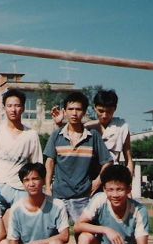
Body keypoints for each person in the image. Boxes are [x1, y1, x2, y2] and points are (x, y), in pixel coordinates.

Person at [44, 91, 113, 223]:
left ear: (85, 112)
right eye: (70, 109)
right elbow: (50, 161)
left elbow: (108, 162)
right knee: (54, 233)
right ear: (64, 111)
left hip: (83, 197)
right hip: (59, 196)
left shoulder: (93, 136)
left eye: (78, 109)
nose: (74, 113)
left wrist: (97, 182)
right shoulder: (56, 135)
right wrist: (47, 187)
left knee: (85, 233)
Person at [0, 89, 43, 228]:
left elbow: (36, 166)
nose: (13, 109)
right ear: (4, 108)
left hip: (21, 188)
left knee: (20, 227)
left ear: (23, 108)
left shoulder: (31, 135)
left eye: (17, 105)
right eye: (9, 106)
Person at [52, 88, 133, 176]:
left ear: (115, 108)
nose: (104, 115)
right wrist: (59, 124)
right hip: (89, 175)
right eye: (101, 111)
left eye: (109, 111)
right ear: (95, 108)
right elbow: (68, 139)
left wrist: (129, 180)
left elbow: (128, 158)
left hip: (112, 175)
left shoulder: (122, 127)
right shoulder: (88, 127)